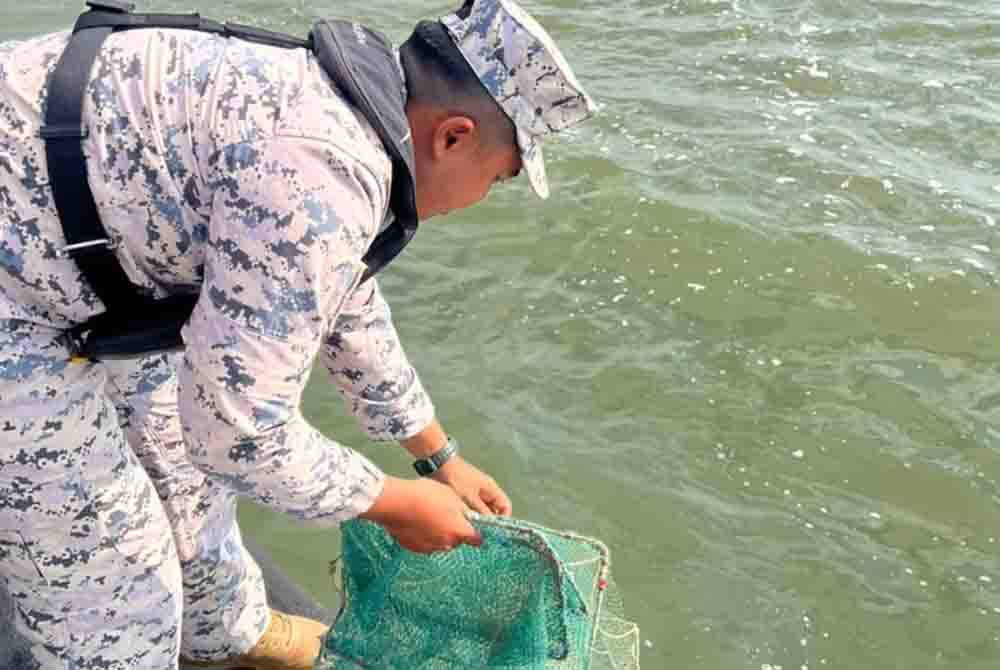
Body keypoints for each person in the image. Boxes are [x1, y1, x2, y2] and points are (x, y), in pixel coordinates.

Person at [0, 0, 594, 667]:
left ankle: (219, 632)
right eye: (500, 176)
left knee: (185, 478)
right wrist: (392, 502)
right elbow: (238, 435)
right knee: (118, 597)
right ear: (453, 136)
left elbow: (346, 304)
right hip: (18, 295)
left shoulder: (345, 117)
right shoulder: (317, 168)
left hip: (64, 256)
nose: (483, 195)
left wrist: (439, 456)